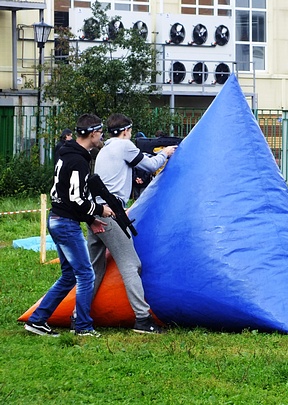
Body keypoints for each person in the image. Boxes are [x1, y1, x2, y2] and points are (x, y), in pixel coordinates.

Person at [24, 114, 113, 337]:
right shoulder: (78, 161)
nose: (102, 137)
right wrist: (99, 210)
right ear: (93, 134)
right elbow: (76, 199)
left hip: (57, 219)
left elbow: (67, 195)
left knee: (69, 275)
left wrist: (90, 219)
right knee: (86, 274)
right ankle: (83, 326)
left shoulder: (68, 154)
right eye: (101, 133)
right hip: (65, 223)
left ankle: (37, 320)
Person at [87, 113, 177, 334]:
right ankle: (143, 318)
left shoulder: (105, 149)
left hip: (94, 212)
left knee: (95, 269)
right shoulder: (124, 146)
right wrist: (165, 153)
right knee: (131, 264)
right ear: (126, 131)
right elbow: (150, 165)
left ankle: (78, 315)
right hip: (109, 213)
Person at [131, 132, 153, 200]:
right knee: (138, 199)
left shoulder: (147, 153)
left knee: (141, 198)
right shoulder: (134, 153)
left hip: (142, 181)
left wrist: (141, 179)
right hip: (138, 181)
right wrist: (136, 178)